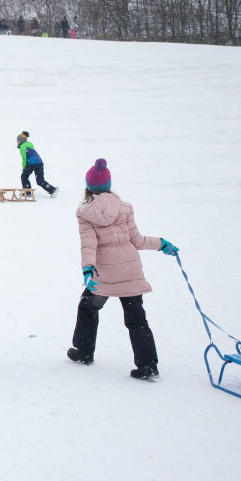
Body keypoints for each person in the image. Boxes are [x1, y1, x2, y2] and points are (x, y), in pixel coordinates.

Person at [67, 158, 179, 379]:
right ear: (108, 185)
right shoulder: (125, 207)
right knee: (136, 318)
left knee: (88, 307)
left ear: (89, 187)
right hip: (130, 269)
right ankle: (148, 365)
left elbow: (89, 244)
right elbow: (137, 240)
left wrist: (88, 269)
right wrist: (161, 244)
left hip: (105, 274)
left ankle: (84, 352)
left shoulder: (85, 212)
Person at [16, 131, 58, 197]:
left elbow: (24, 159)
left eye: (17, 140)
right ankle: (52, 189)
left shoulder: (23, 147)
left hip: (32, 163)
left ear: (20, 141)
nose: (16, 141)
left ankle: (27, 192)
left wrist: (24, 167)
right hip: (39, 163)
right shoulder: (29, 145)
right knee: (40, 180)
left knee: (24, 176)